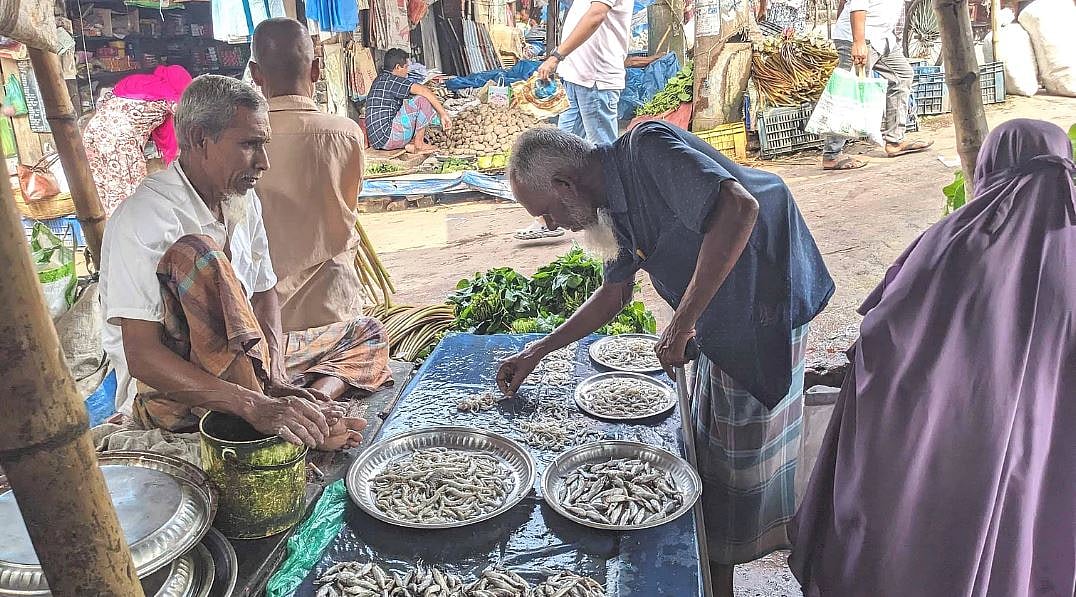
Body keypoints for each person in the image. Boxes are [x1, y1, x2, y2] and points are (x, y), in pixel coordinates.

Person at [496, 123, 835, 597]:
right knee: (709, 448)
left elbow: (741, 208)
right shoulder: (608, 208)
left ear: (564, 185)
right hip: (720, 311)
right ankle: (717, 574)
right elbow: (613, 296)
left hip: (765, 296)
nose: (550, 226)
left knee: (742, 461)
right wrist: (537, 351)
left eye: (548, 213)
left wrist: (682, 323)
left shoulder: (647, 148)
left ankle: (774, 565)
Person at [790, 119, 1076, 596]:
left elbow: (887, 330)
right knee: (1018, 545)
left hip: (953, 446)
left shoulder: (960, 242)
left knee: (931, 549)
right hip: (1043, 453)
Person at [98, 75, 392, 451]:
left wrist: (276, 370)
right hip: (175, 394)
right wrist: (254, 403)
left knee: (365, 332)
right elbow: (142, 357)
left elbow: (265, 291)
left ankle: (313, 410)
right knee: (199, 255)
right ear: (199, 139)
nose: (264, 162)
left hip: (251, 370)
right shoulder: (145, 218)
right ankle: (281, 419)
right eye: (249, 145)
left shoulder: (240, 197)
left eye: (263, 144)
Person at [248, 18, 366, 334]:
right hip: (334, 309)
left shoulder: (237, 145)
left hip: (265, 323)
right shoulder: (346, 135)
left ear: (255, 74)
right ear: (315, 70)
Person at [823, 0, 933, 170]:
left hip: (881, 38)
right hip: (860, 38)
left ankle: (895, 141)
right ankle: (832, 155)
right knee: (849, 91)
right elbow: (857, 6)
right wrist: (857, 42)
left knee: (902, 75)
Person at [365, 48, 451, 153]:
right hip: (388, 137)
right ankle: (419, 144)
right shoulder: (393, 81)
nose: (407, 71)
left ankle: (411, 143)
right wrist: (443, 114)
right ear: (397, 67)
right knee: (422, 100)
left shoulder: (379, 79)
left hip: (377, 141)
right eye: (406, 67)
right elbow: (425, 91)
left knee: (408, 103)